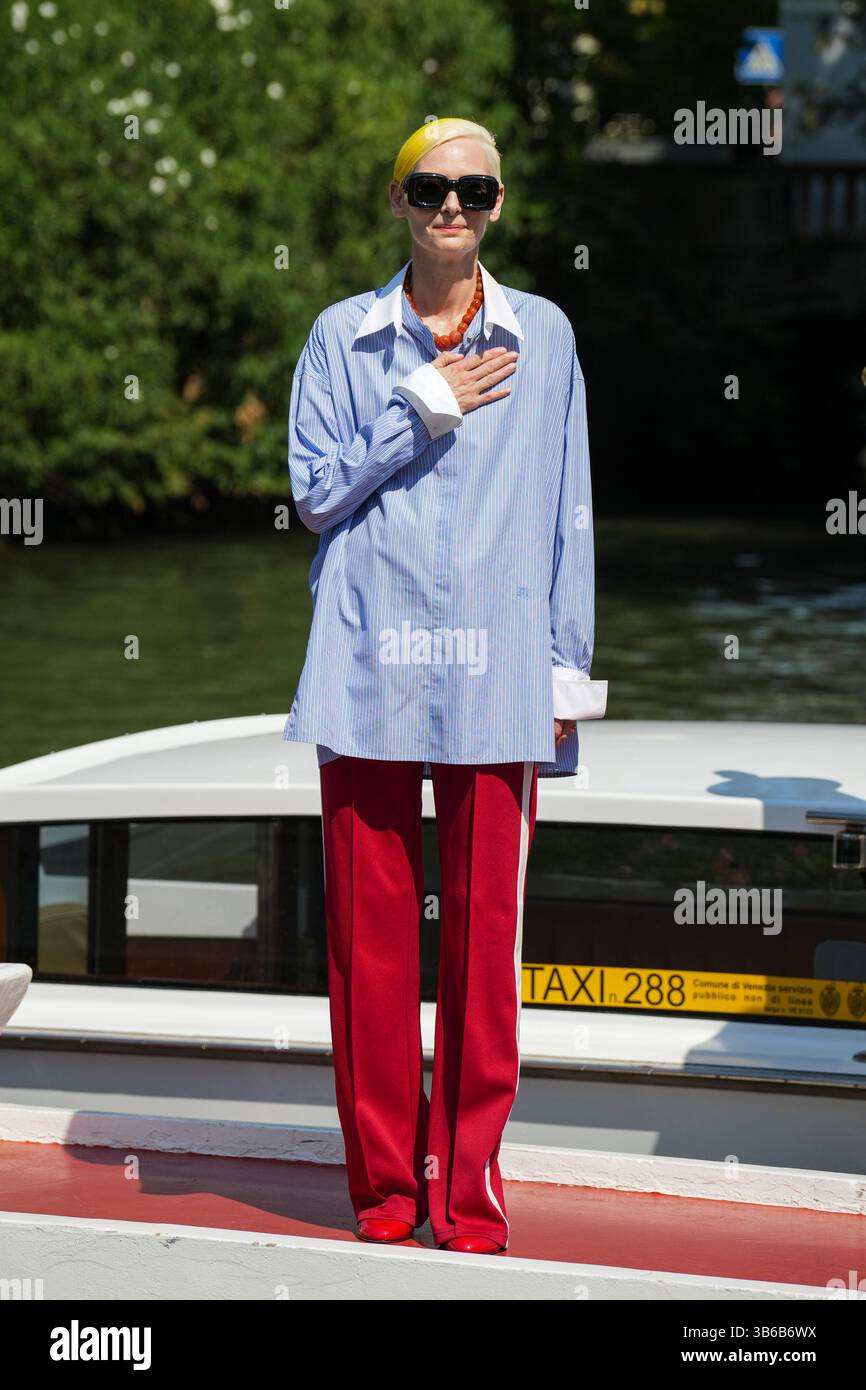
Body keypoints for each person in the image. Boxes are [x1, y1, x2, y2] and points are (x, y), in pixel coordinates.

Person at [284, 116, 606, 1255]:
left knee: (482, 960)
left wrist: (567, 671)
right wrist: (419, 403)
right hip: (367, 668)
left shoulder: (547, 336)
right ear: (398, 201)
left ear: (500, 203)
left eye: (472, 189)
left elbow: (568, 510)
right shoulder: (340, 338)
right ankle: (381, 1192)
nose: (450, 207)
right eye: (429, 188)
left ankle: (466, 1196)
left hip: (498, 677)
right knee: (369, 952)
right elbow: (314, 494)